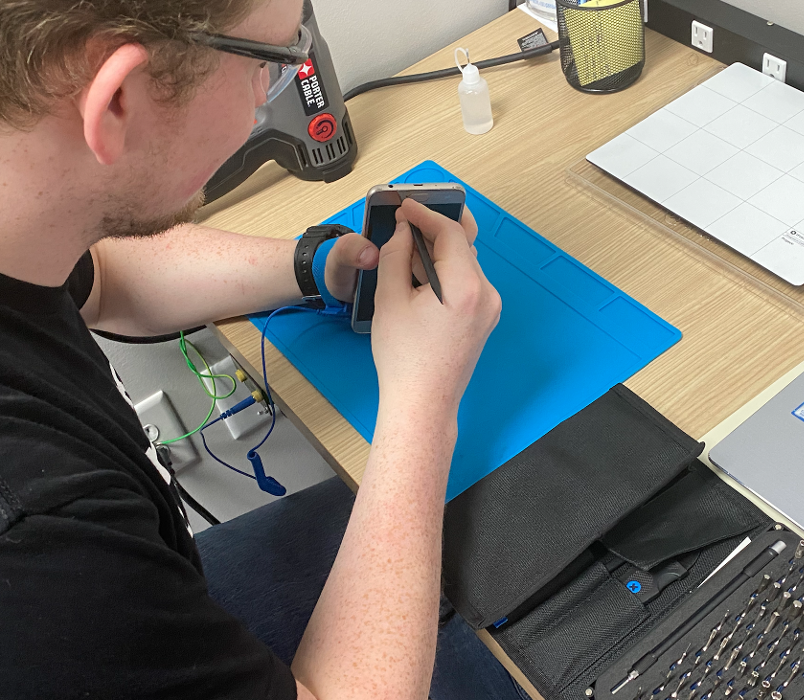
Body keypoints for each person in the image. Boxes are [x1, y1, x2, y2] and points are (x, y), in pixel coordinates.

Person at [0, 0, 530, 698]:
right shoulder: (40, 543)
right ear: (119, 98)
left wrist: (318, 268)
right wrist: (424, 394)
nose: (268, 95)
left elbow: (100, 273)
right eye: (271, 62)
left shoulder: (24, 215)